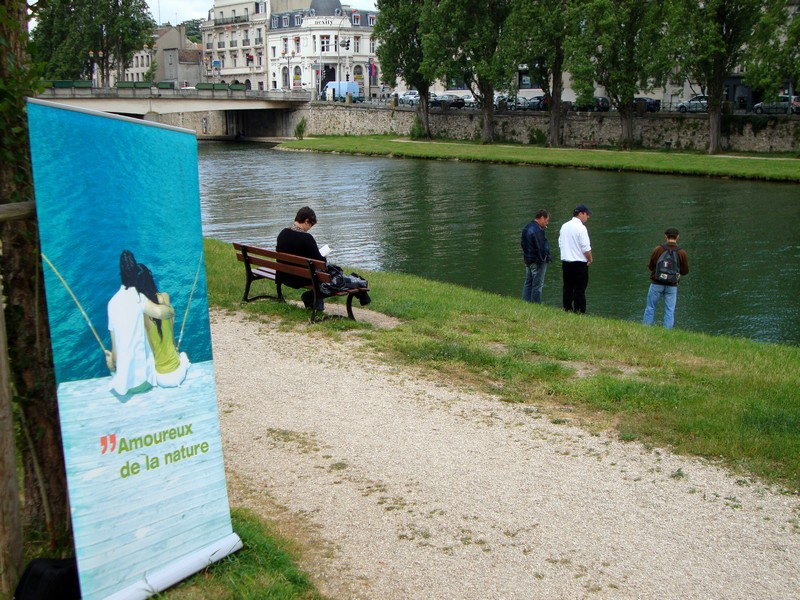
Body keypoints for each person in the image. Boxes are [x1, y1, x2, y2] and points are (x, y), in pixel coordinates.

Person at [105, 250, 175, 396]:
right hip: (145, 382)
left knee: (112, 366)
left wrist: (110, 360)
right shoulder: (139, 298)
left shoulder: (111, 304)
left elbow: (116, 355)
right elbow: (160, 313)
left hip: (124, 386)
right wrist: (171, 311)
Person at [137, 264, 191, 387]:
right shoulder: (165, 297)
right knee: (183, 355)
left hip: (160, 378)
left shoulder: (142, 313)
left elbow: (150, 348)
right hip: (177, 374)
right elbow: (170, 329)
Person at [276, 206, 328, 311]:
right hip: (301, 278)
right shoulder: (307, 238)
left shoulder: (283, 233)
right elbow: (321, 262)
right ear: (306, 221)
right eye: (311, 225)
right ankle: (314, 304)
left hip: (284, 275)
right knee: (327, 273)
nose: (310, 228)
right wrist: (324, 257)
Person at [642, 228, 689, 329]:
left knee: (650, 307)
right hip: (672, 285)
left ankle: (645, 329)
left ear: (665, 237)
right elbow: (685, 271)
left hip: (656, 283)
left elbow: (650, 266)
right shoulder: (681, 252)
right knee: (669, 310)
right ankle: (667, 333)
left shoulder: (658, 249)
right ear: (677, 237)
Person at [558, 204, 593, 313]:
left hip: (566, 262)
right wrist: (590, 259)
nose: (588, 217)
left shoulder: (564, 226)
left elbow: (560, 243)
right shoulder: (581, 228)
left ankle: (567, 308)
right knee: (579, 289)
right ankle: (579, 311)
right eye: (587, 214)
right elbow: (585, 247)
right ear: (581, 213)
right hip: (579, 263)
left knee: (567, 287)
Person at [520, 209, 551, 303]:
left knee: (528, 282)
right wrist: (544, 259)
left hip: (528, 260)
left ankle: (525, 302)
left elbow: (523, 244)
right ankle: (536, 305)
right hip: (537, 262)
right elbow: (541, 248)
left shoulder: (526, 227)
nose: (547, 223)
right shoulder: (538, 230)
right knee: (537, 285)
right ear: (542, 218)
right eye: (547, 220)